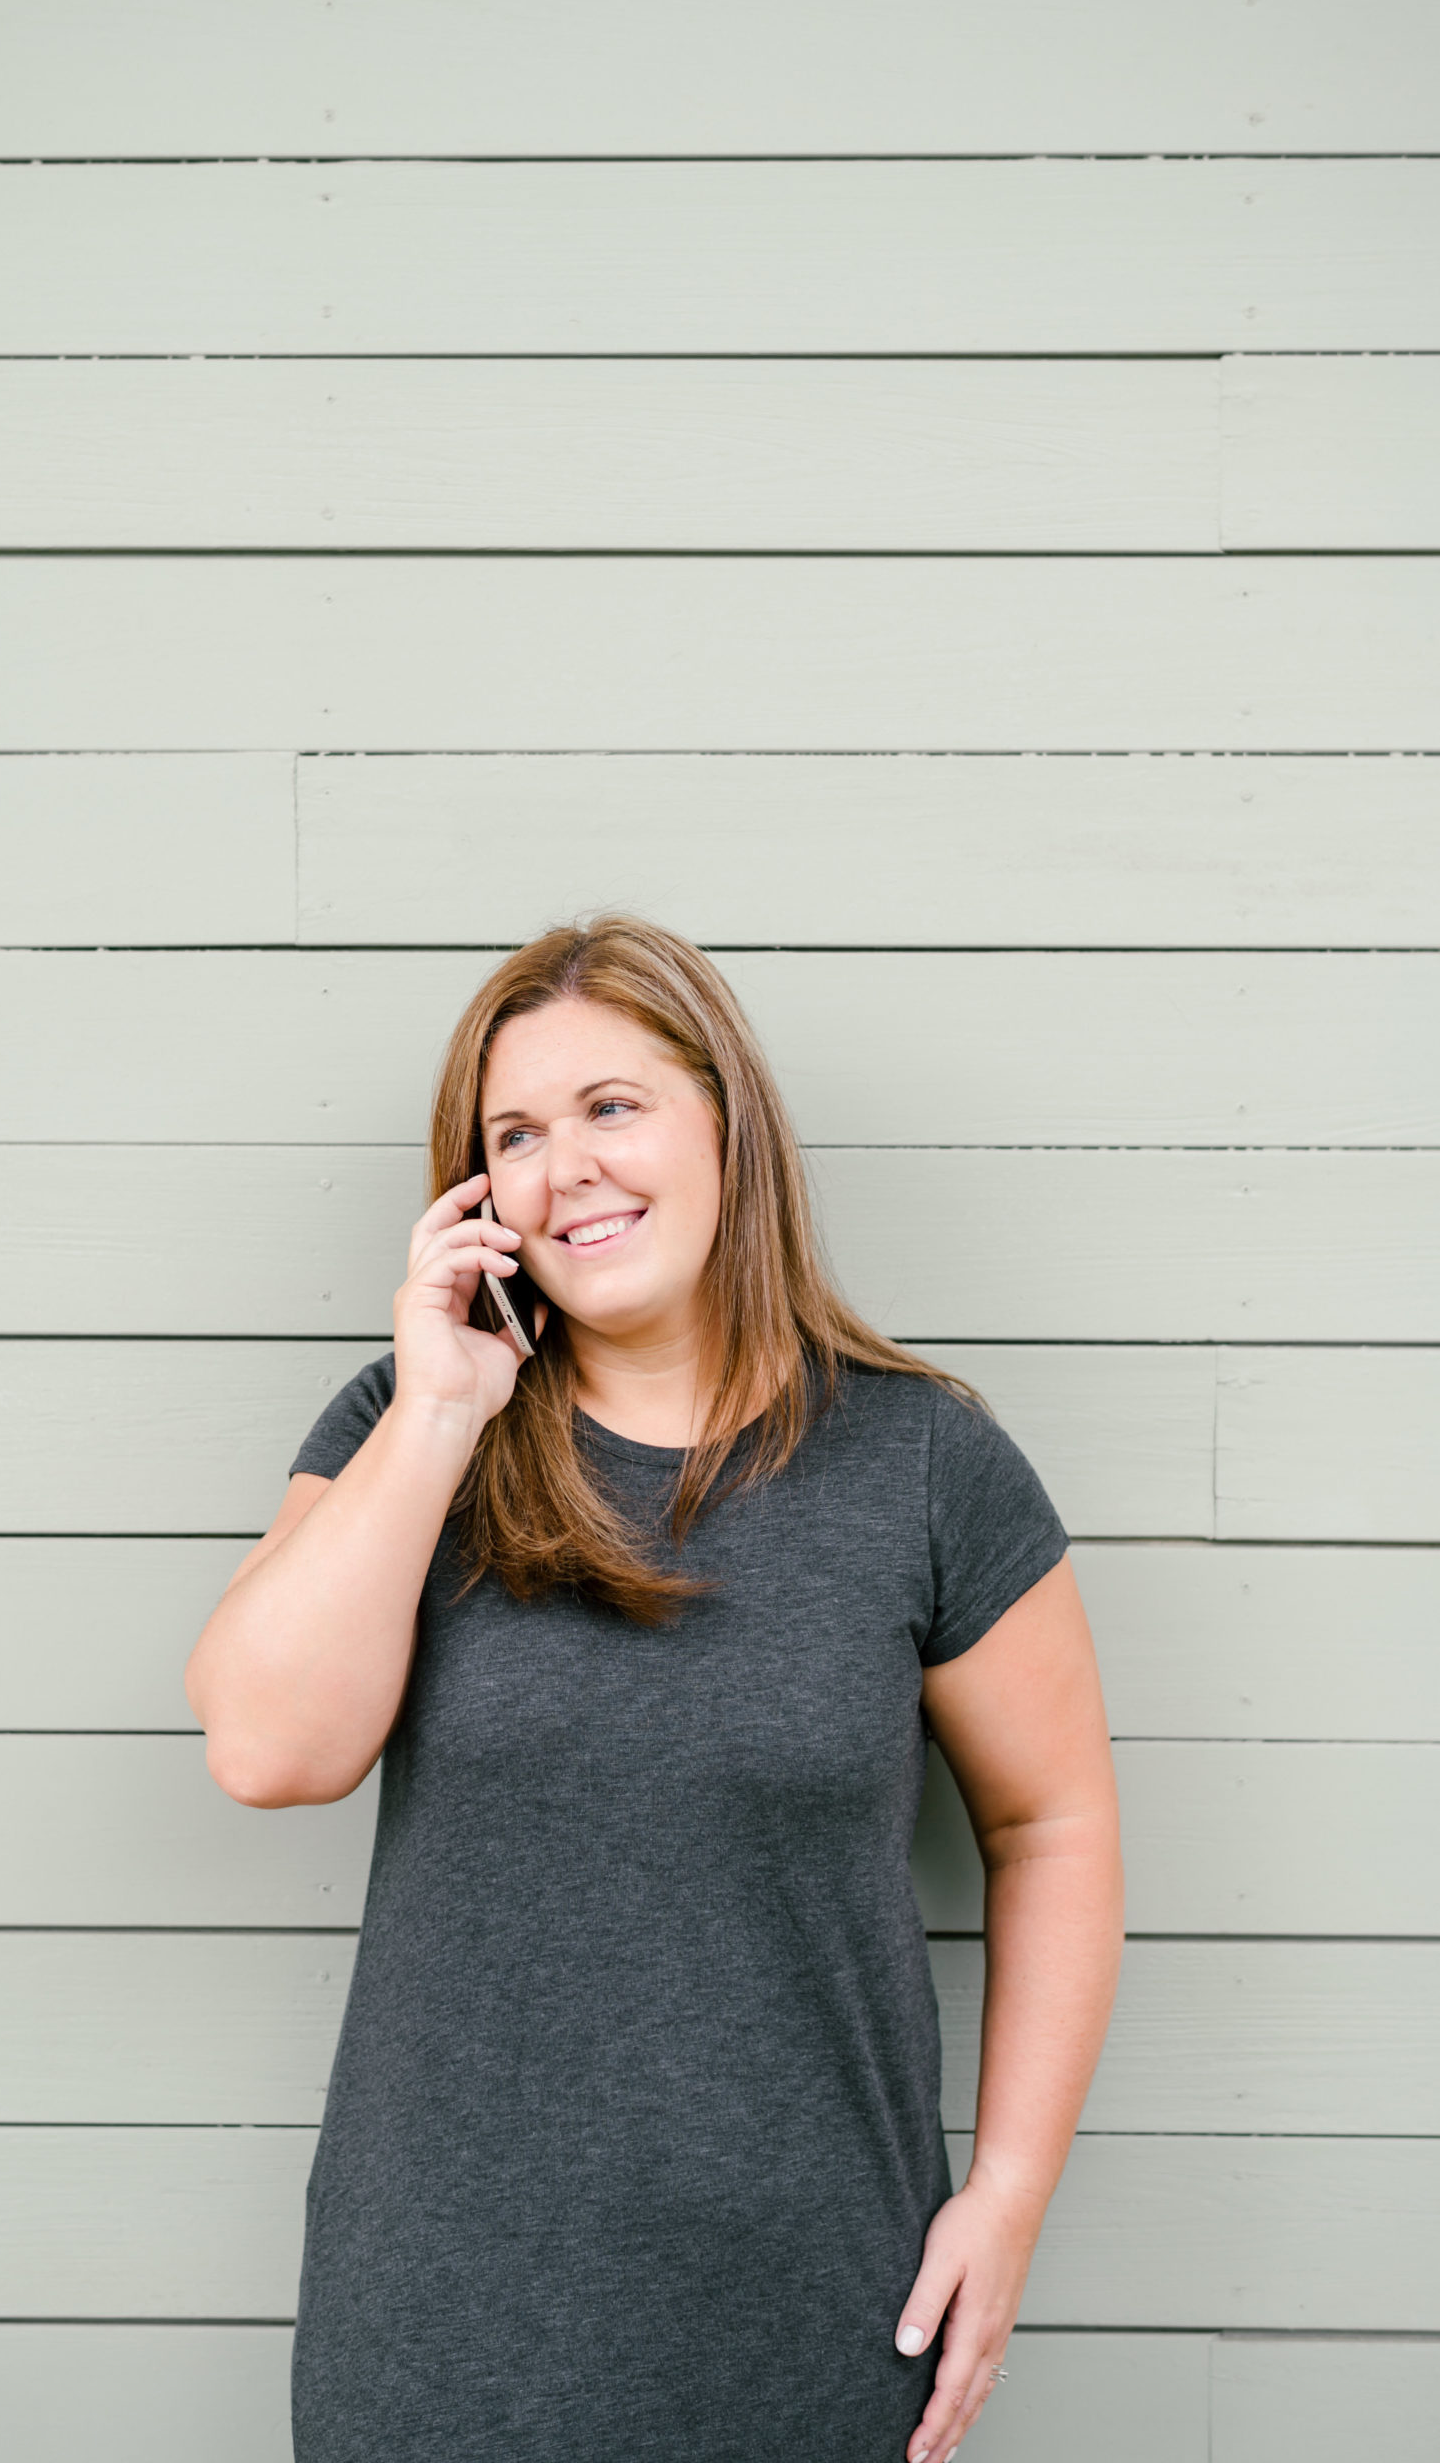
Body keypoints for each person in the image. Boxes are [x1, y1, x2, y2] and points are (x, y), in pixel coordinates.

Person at [184, 911, 1124, 2463]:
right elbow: (269, 1749)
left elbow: (1055, 1826)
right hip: (445, 2325)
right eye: (517, 1136)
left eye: (612, 1106)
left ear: (724, 1122)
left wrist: (1008, 2201)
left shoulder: (926, 1462)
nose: (570, 1170)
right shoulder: (407, 1427)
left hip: (813, 2314)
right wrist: (439, 1411)